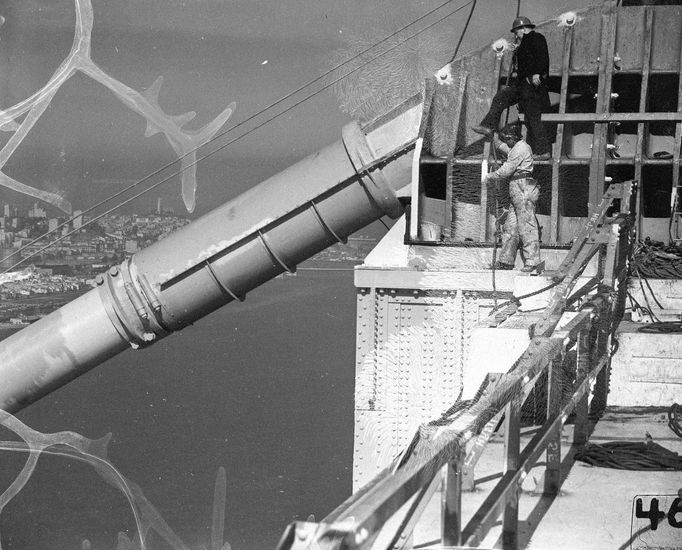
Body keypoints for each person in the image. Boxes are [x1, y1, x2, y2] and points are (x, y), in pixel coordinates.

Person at [472, 16, 551, 158]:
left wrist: (537, 73)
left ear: (524, 28)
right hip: (522, 85)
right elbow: (520, 66)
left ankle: (544, 151)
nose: (516, 34)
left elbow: (543, 57)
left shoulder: (537, 38)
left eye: (517, 31)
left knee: (533, 117)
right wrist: (517, 51)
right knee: (501, 96)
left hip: (533, 85)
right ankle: (488, 126)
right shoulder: (522, 44)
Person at [485, 122, 541, 272]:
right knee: (511, 226)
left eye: (506, 139)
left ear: (512, 137)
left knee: (526, 226)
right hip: (519, 189)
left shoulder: (520, 149)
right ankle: (506, 261)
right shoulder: (518, 147)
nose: (506, 142)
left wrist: (489, 176)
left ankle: (533, 261)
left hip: (523, 188)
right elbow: (508, 150)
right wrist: (495, 140)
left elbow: (506, 170)